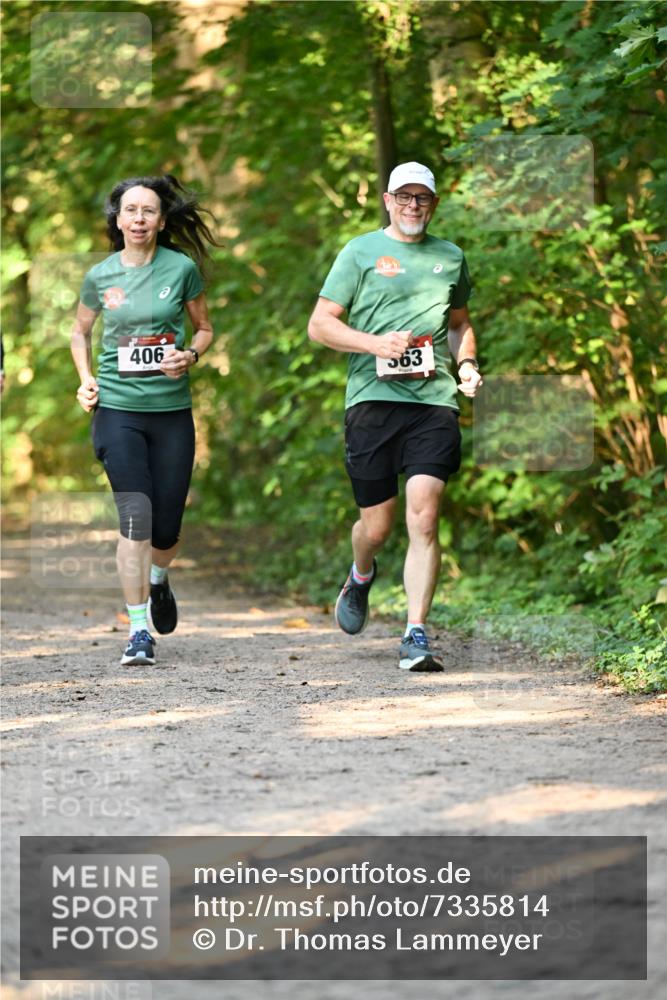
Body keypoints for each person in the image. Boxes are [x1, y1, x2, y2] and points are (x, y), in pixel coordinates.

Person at [308, 161, 483, 671]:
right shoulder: (360, 252)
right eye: (403, 197)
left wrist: (468, 362)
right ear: (387, 200)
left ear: (433, 203)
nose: (413, 206)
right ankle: (361, 574)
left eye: (422, 198)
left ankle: (415, 633)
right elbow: (320, 325)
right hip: (371, 402)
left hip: (433, 403)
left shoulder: (450, 257)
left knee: (425, 516)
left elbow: (460, 323)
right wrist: (374, 343)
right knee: (377, 528)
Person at [71, 174, 217, 666]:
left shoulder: (181, 269)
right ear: (117, 219)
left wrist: (190, 357)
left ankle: (159, 579)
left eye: (148, 210)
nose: (138, 218)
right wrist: (86, 378)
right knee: (136, 517)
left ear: (160, 219)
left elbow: (205, 329)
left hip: (171, 412)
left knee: (168, 525)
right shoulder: (100, 276)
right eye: (130, 210)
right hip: (117, 411)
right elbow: (79, 333)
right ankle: (137, 631)